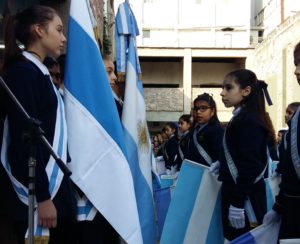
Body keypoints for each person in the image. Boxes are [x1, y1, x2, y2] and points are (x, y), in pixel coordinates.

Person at [2, 5, 76, 243]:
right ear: (39, 30)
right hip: (36, 197)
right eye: (59, 29)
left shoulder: (39, 71)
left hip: (51, 191)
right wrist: (43, 197)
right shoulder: (24, 73)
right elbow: (25, 141)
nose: (64, 38)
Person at [217, 69, 275, 240]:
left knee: (243, 238)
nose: (222, 93)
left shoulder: (248, 120)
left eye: (228, 88)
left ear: (246, 91)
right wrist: (222, 163)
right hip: (237, 193)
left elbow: (250, 165)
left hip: (244, 197)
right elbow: (239, 153)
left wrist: (237, 203)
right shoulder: (242, 117)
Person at [263, 42, 300, 240]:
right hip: (293, 208)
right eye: (295, 64)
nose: (296, 71)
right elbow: (290, 172)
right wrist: (279, 206)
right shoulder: (296, 118)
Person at [186, 93, 223, 167]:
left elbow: (219, 156)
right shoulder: (194, 131)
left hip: (208, 174)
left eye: (203, 108)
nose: (198, 112)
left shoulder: (217, 130)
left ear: (212, 111)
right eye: (196, 108)